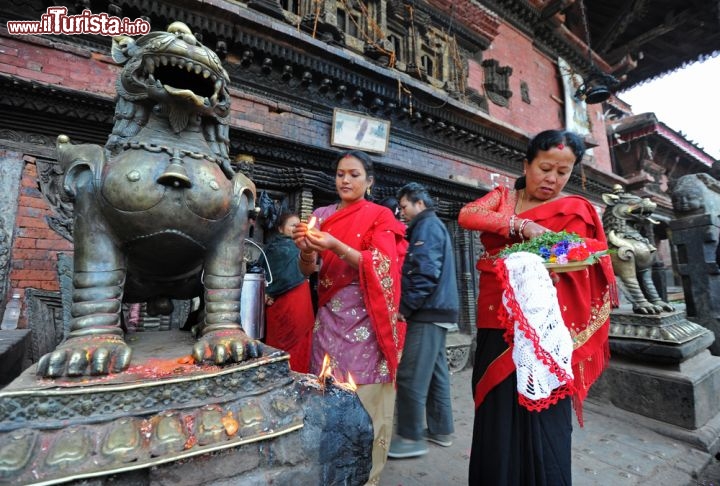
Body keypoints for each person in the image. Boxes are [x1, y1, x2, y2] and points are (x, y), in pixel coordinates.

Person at [458, 129, 617, 485]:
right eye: (545, 168)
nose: (553, 179)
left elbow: (582, 262)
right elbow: (468, 216)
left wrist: (550, 267)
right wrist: (522, 226)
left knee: (546, 416)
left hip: (548, 330)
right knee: (496, 411)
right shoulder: (504, 197)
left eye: (563, 173)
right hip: (496, 322)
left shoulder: (576, 209)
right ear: (526, 164)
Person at [292, 150, 408, 485]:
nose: (345, 180)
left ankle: (363, 474)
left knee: (362, 401)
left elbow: (384, 267)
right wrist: (308, 250)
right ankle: (326, 469)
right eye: (341, 174)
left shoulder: (381, 216)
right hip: (328, 318)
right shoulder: (322, 214)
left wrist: (336, 244)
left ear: (369, 181)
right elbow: (307, 271)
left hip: (365, 322)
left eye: (354, 174)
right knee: (325, 397)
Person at [388, 182, 458, 459]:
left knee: (410, 376)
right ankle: (441, 430)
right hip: (440, 310)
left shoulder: (426, 226)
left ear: (419, 203)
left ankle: (409, 437)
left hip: (428, 311)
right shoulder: (433, 226)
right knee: (436, 372)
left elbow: (425, 272)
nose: (401, 212)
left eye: (404, 206)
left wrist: (405, 306)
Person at [262, 211, 314, 373]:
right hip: (281, 303)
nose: (296, 229)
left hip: (300, 303)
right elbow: (261, 273)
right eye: (292, 225)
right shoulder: (273, 249)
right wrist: (267, 291)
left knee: (300, 344)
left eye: (299, 225)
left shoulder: (302, 247)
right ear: (280, 228)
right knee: (278, 346)